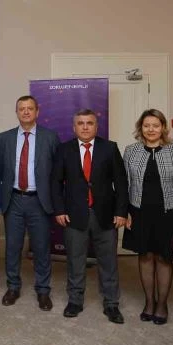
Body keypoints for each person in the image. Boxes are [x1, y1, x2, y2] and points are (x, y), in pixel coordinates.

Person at [51, 109, 128, 323]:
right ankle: (75, 300)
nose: (85, 127)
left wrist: (121, 212)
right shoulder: (64, 149)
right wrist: (59, 210)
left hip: (106, 215)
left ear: (96, 126)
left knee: (108, 261)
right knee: (75, 260)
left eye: (89, 123)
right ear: (74, 127)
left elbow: (121, 183)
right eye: (81, 123)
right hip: (74, 215)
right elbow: (55, 182)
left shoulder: (109, 148)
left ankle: (111, 303)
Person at [122, 109, 173, 325]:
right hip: (138, 212)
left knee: (163, 257)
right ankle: (149, 302)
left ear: (163, 128)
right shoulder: (130, 151)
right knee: (145, 256)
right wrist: (124, 211)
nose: (151, 129)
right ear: (140, 128)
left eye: (155, 125)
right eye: (146, 125)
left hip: (168, 213)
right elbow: (124, 184)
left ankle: (162, 304)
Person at [0, 95, 60, 311]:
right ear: (16, 112)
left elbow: (57, 174)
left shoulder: (50, 137)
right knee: (12, 247)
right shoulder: (5, 138)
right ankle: (13, 287)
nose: (25, 112)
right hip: (13, 199)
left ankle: (43, 290)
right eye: (21, 108)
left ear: (37, 112)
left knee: (41, 248)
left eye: (29, 108)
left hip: (39, 201)